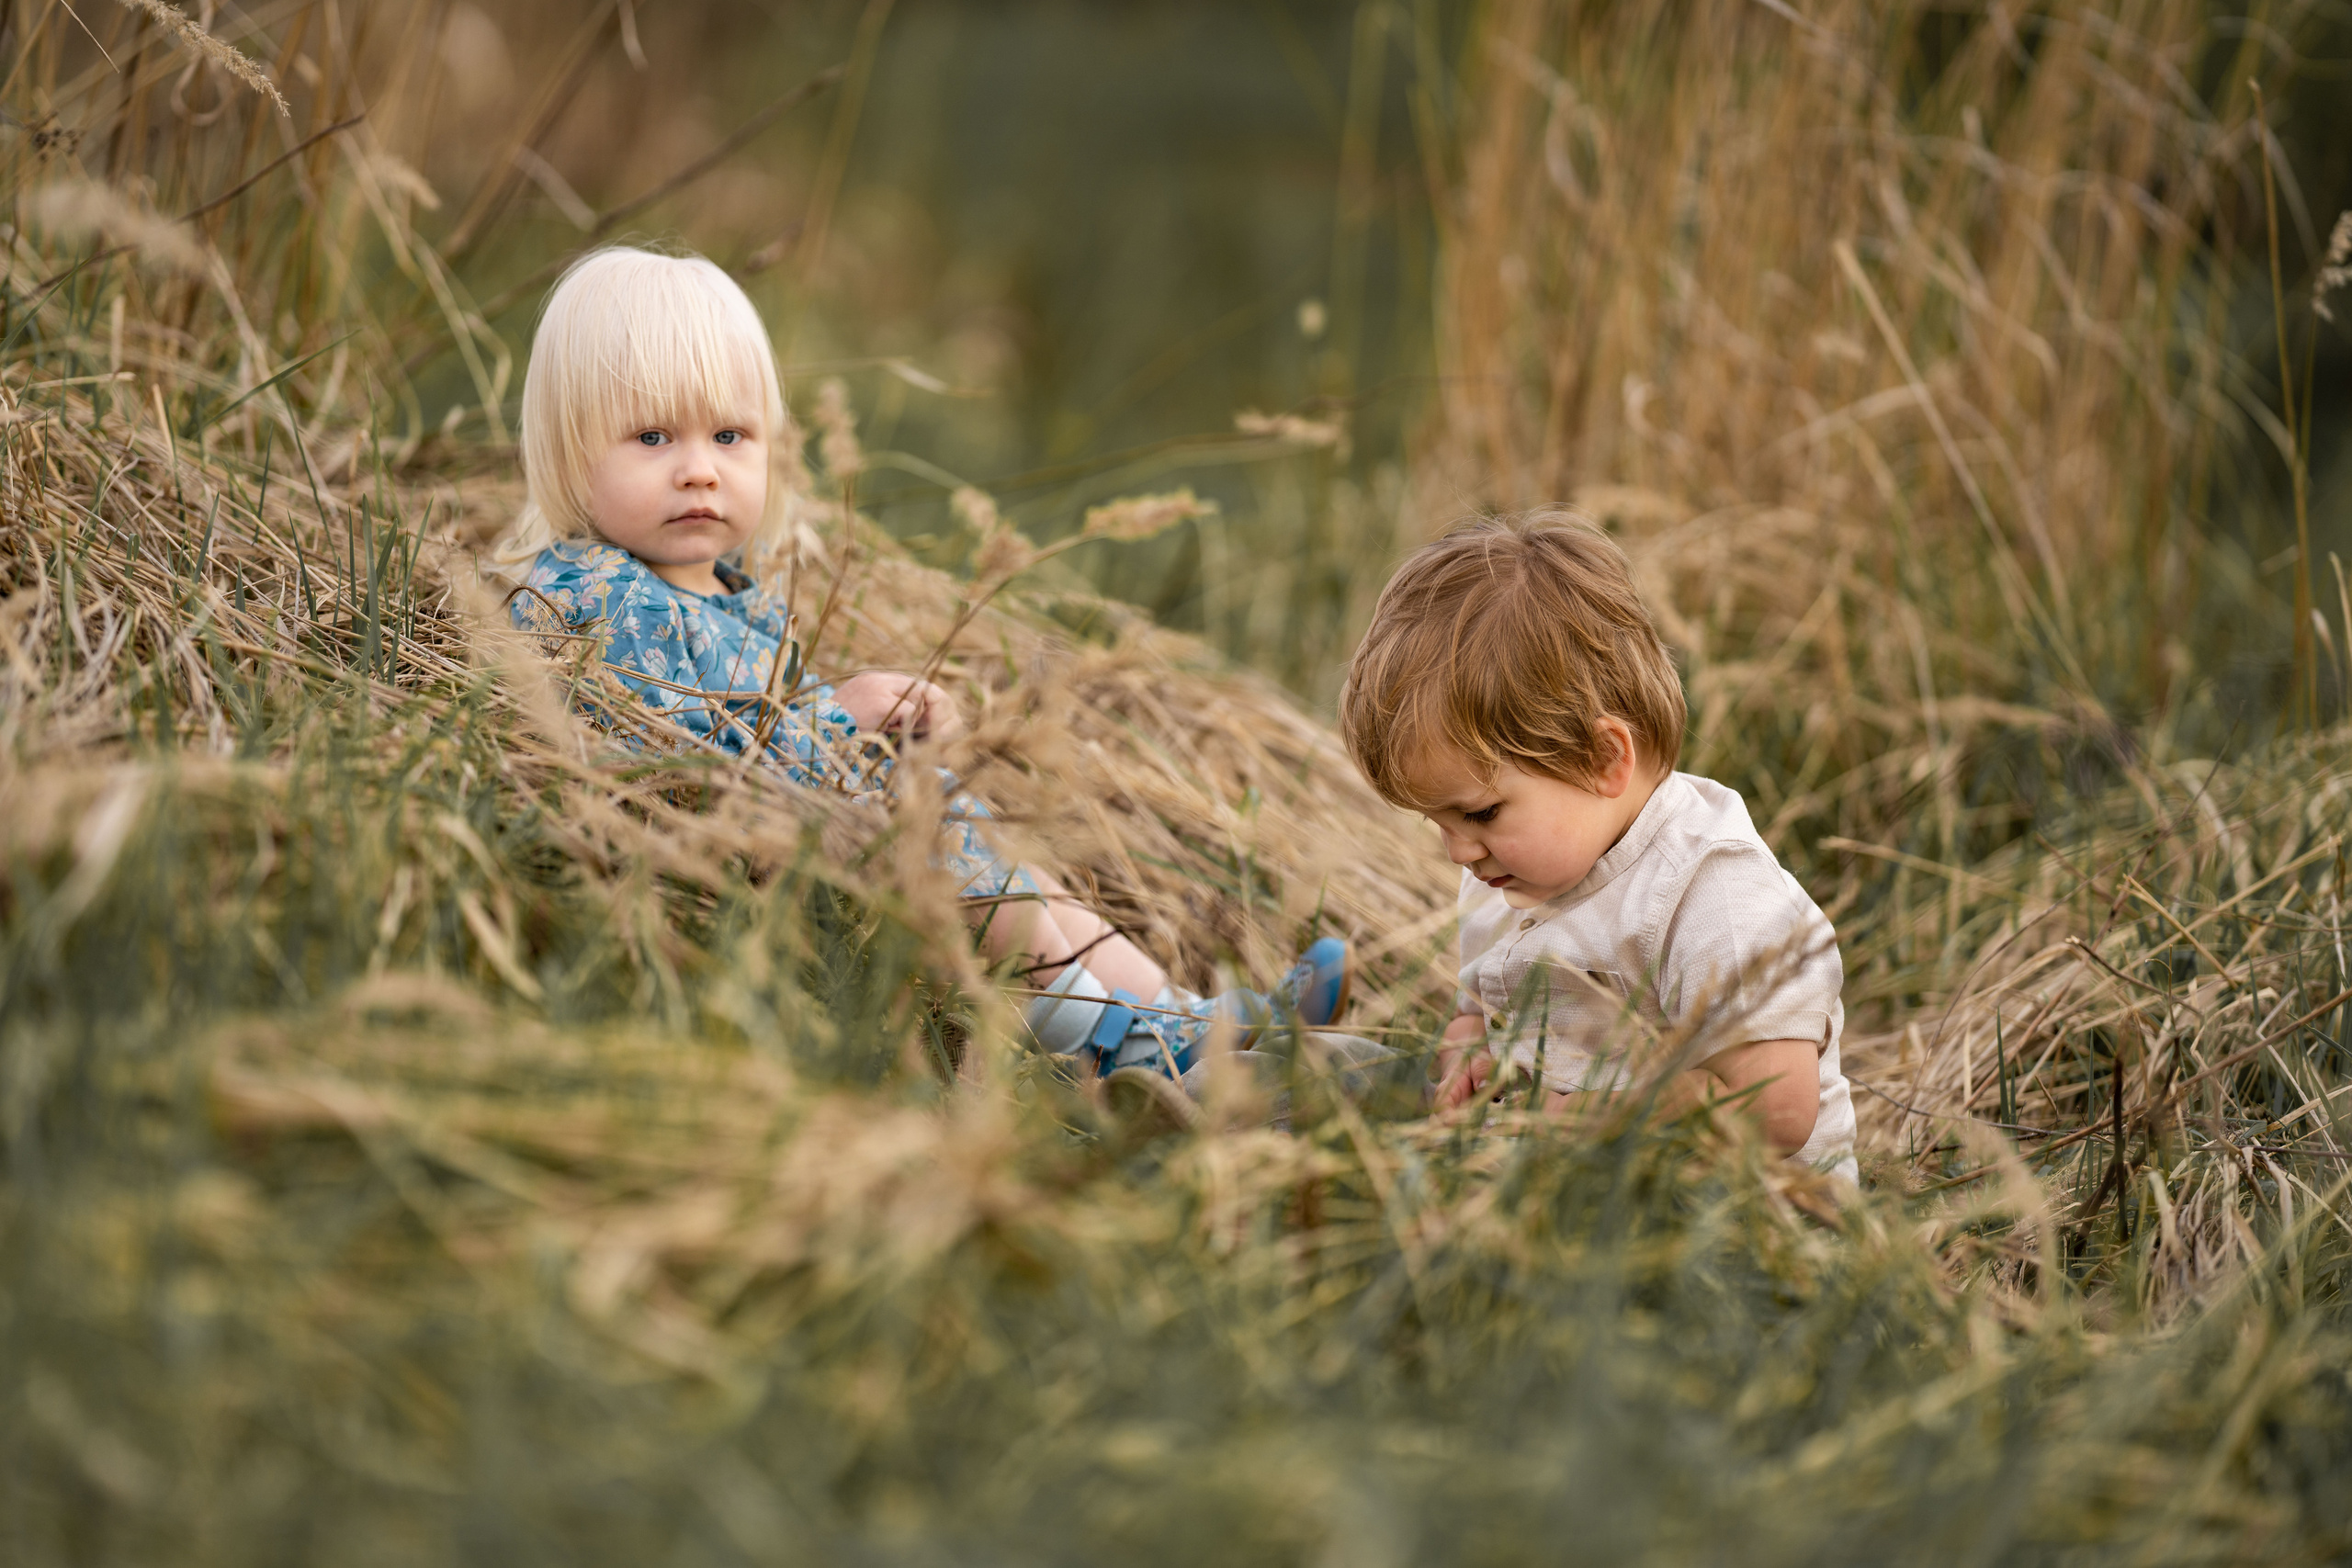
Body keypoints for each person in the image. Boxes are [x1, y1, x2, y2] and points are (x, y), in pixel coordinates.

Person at [492, 245, 1347, 1083]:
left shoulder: (727, 594)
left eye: (729, 435)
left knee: (1014, 871)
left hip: (805, 843)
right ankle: (1119, 1041)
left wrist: (875, 728)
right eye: (652, 436)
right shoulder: (600, 593)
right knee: (957, 861)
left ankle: (1189, 1015)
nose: (699, 471)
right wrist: (838, 720)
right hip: (719, 869)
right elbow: (681, 761)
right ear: (570, 450)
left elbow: (761, 732)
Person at [1339, 513, 1857, 1182]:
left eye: (1479, 813)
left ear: (1603, 759)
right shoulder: (1509, 871)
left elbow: (1779, 1108)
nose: (1458, 852)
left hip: (1718, 1217)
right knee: (1347, 1068)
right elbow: (1478, 1012)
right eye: (1437, 822)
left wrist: (1603, 1117)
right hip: (1536, 1169)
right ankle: (1210, 1087)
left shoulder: (1713, 894)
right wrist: (1465, 1055)